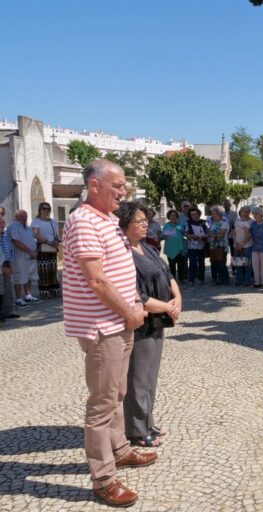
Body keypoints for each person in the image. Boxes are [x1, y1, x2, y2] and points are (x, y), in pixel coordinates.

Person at [62, 159, 153, 507]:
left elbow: (119, 270)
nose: (123, 191)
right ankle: (103, 479)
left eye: (123, 185)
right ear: (94, 185)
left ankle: (120, 450)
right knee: (102, 404)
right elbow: (97, 280)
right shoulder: (84, 221)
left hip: (119, 323)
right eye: (117, 185)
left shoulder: (108, 219)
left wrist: (135, 305)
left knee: (117, 392)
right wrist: (130, 311)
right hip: (102, 327)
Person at [117, 201, 181, 449]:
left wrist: (177, 298)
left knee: (150, 376)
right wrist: (167, 306)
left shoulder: (147, 248)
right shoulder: (123, 253)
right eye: (140, 221)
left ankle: (147, 421)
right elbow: (135, 295)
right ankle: (135, 429)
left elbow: (168, 274)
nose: (146, 225)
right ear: (125, 224)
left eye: (146, 220)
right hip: (141, 322)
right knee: (138, 377)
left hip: (158, 320)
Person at [8, 210, 42, 307]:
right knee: (19, 278)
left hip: (30, 257)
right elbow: (16, 241)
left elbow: (33, 241)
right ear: (16, 217)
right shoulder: (13, 226)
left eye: (26, 216)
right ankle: (18, 299)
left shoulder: (28, 228)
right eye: (22, 216)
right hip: (19, 257)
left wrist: (35, 252)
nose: (25, 218)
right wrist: (30, 251)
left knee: (28, 277)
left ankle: (28, 296)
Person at [31, 202, 61, 298]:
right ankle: (45, 293)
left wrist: (57, 241)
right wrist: (48, 242)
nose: (46, 210)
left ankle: (54, 291)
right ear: (40, 210)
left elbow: (56, 235)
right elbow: (36, 235)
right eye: (44, 208)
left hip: (52, 248)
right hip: (43, 248)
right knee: (43, 271)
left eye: (48, 209)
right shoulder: (36, 221)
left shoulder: (53, 222)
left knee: (53, 270)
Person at [0, 210, 19, 321]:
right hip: (1, 266)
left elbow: (10, 250)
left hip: (7, 264)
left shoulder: (4, 235)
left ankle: (6, 312)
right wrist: (2, 267)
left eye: (3, 223)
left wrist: (9, 263)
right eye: (0, 224)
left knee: (7, 290)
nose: (2, 225)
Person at [185, 206, 208, 286]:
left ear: (198, 214)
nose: (194, 216)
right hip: (191, 246)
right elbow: (186, 234)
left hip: (201, 246)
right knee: (192, 263)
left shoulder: (204, 222)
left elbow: (209, 232)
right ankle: (191, 279)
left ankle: (201, 279)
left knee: (201, 263)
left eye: (195, 214)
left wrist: (204, 236)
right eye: (192, 214)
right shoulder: (188, 222)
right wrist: (193, 236)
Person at [161, 210, 186, 280]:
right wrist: (164, 236)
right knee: (172, 266)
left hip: (180, 248)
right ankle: (173, 280)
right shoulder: (166, 225)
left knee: (181, 266)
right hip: (170, 248)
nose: (173, 217)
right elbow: (163, 236)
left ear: (177, 216)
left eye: (175, 215)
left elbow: (185, 234)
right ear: (169, 217)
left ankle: (181, 279)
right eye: (171, 215)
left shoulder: (181, 225)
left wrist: (183, 232)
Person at [208, 207, 230, 285]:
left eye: (213, 214)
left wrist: (212, 234)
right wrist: (213, 234)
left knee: (222, 263)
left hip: (222, 246)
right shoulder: (212, 223)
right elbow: (210, 233)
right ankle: (217, 279)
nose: (212, 215)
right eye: (212, 214)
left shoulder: (224, 223)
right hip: (213, 246)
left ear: (219, 214)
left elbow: (221, 235)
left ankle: (225, 279)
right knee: (214, 263)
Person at [233, 206, 253, 286]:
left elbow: (249, 236)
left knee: (247, 263)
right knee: (237, 263)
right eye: (243, 211)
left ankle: (247, 281)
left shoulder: (252, 222)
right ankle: (238, 280)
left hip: (247, 245)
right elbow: (234, 232)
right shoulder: (237, 220)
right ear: (240, 212)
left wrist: (241, 244)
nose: (245, 213)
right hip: (237, 245)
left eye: (247, 211)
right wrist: (235, 243)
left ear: (249, 212)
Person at [223, 199, 238, 269]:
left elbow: (235, 224)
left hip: (231, 236)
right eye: (225, 204)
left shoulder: (234, 214)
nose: (226, 206)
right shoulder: (221, 214)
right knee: (224, 253)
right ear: (223, 206)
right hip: (224, 236)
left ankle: (234, 269)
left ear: (230, 205)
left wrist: (228, 229)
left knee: (233, 253)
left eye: (227, 204)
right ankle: (224, 268)